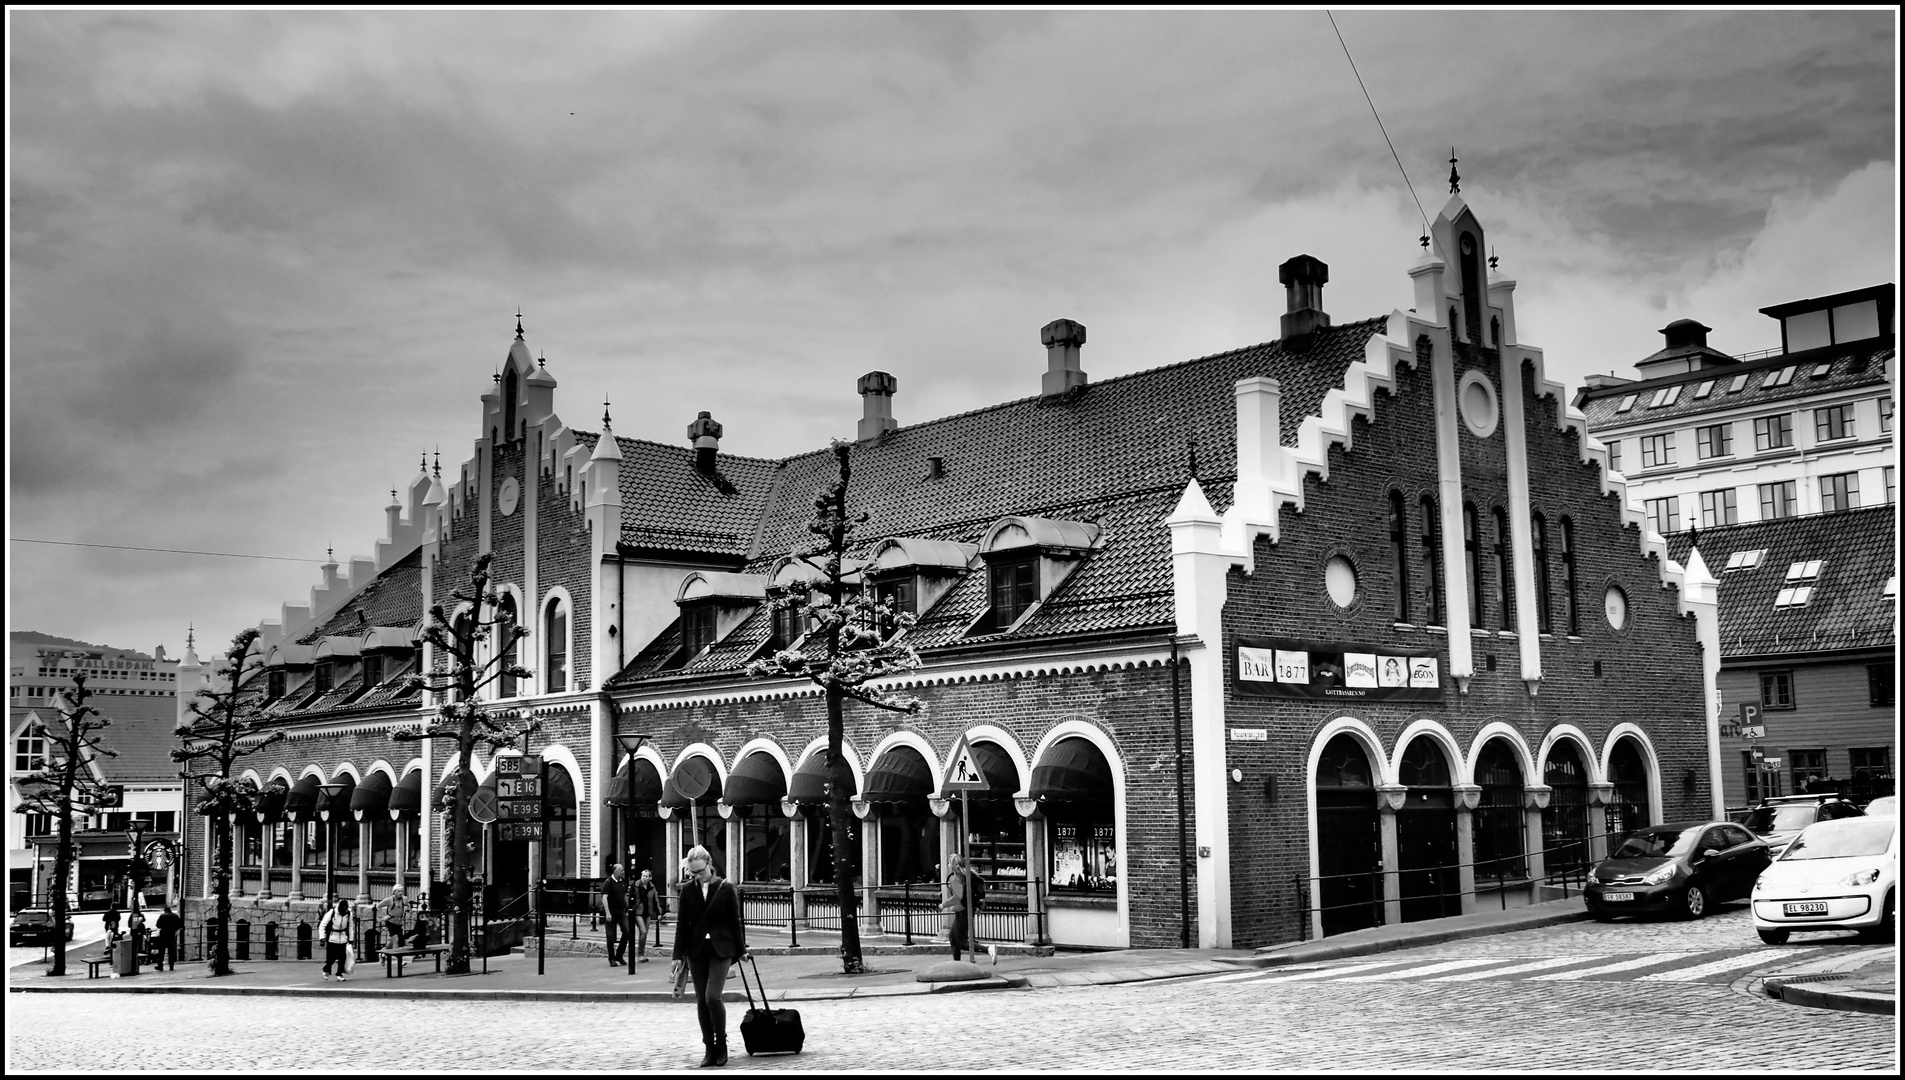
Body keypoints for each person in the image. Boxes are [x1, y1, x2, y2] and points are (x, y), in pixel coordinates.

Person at [670, 845, 748, 1068]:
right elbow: (682, 925)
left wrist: (741, 950)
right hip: (696, 951)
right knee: (701, 1001)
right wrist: (677, 955)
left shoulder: (726, 888)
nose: (697, 876)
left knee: (712, 996)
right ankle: (709, 1048)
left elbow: (735, 922)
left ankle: (721, 1043)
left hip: (721, 949)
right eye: (693, 872)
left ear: (709, 865)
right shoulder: (687, 890)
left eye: (700, 871)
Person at [940, 854, 986, 962]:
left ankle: (988, 949)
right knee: (953, 938)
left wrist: (943, 905)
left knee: (961, 942)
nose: (948, 865)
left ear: (954, 865)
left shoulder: (956, 878)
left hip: (962, 910)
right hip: (963, 909)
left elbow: (957, 897)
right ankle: (956, 963)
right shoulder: (967, 875)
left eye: (949, 862)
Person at [317, 898, 355, 982]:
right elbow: (323, 925)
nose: (343, 912)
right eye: (342, 910)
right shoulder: (332, 912)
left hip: (343, 938)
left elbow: (351, 926)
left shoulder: (349, 913)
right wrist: (322, 938)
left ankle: (339, 974)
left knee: (342, 957)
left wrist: (351, 938)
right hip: (332, 938)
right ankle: (326, 969)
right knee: (331, 958)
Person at [602, 863, 630, 965]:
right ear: (615, 871)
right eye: (621, 870)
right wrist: (607, 912)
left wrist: (627, 907)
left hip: (621, 911)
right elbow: (604, 898)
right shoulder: (608, 882)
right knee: (610, 936)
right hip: (612, 911)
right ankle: (611, 958)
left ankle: (619, 955)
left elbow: (624, 895)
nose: (622, 872)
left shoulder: (623, 881)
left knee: (627, 932)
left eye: (622, 870)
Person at [631, 868, 662, 962]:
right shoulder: (635, 886)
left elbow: (655, 900)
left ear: (650, 878)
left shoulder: (652, 887)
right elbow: (631, 898)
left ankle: (642, 954)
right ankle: (640, 955)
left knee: (645, 933)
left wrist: (659, 912)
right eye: (643, 876)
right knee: (643, 931)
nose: (644, 878)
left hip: (648, 912)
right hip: (638, 912)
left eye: (646, 876)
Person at [155, 903, 183, 971]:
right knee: (171, 951)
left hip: (163, 934)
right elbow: (180, 925)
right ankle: (171, 966)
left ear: (165, 910)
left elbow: (158, 925)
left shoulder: (162, 916)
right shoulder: (175, 916)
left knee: (161, 951)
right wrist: (174, 929)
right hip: (171, 934)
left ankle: (160, 965)